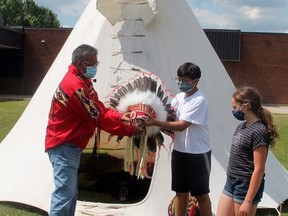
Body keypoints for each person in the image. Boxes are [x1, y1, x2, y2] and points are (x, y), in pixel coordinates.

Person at [45, 44, 143, 216]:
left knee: (70, 193)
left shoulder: (83, 81)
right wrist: (129, 130)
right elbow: (97, 117)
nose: (95, 67)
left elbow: (98, 108)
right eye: (92, 64)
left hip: (68, 145)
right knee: (64, 194)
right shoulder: (76, 87)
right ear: (80, 63)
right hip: (64, 145)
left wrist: (121, 116)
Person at [145, 62, 212, 216]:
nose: (182, 84)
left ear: (196, 81)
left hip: (198, 154)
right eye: (179, 80)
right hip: (180, 152)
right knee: (180, 193)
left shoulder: (199, 100)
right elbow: (170, 122)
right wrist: (150, 122)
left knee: (201, 194)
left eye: (186, 81)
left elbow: (181, 125)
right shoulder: (178, 98)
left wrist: (155, 122)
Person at [216, 86, 279, 216]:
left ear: (246, 106)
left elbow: (259, 169)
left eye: (235, 107)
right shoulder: (242, 126)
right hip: (231, 181)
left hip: (245, 185)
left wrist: (247, 201)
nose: (233, 111)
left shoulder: (259, 131)